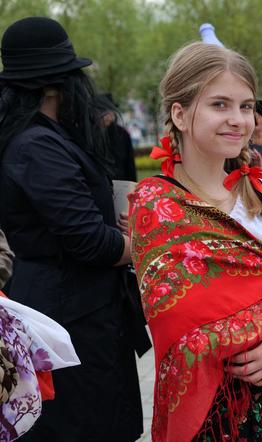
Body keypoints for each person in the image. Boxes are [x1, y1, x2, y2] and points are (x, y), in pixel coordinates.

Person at [129, 42, 262, 442]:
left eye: (245, 106)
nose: (238, 120)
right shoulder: (157, 207)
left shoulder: (261, 194)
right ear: (180, 113)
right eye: (220, 105)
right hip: (215, 416)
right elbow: (187, 336)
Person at [0, 17, 147, 440]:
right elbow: (87, 240)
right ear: (58, 83)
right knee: (85, 425)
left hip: (70, 305)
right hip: (71, 312)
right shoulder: (37, 143)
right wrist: (138, 245)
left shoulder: (37, 136)